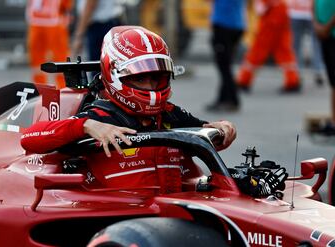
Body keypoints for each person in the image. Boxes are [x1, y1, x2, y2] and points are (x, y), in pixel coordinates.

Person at [21, 26, 286, 197]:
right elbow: (29, 139)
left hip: (173, 213)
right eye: (140, 78)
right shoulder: (99, 116)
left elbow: (204, 133)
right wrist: (86, 127)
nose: (150, 87)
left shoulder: (170, 114)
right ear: (114, 75)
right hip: (116, 219)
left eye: (156, 78)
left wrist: (222, 129)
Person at [236, 0, 301, 93]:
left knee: (258, 50)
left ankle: (244, 80)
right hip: (280, 12)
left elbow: (260, 8)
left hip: (271, 15)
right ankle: (292, 80)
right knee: (283, 50)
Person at [206, 0, 247, 112]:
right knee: (226, 65)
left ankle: (231, 99)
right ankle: (223, 98)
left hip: (224, 24)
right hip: (236, 24)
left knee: (224, 66)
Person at [26, 0, 73, 89]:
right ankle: (40, 91)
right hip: (37, 21)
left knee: (60, 60)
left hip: (55, 22)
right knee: (37, 63)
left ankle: (63, 90)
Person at [287, 0, 325, 86]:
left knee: (295, 45)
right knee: (316, 44)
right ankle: (318, 71)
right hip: (310, 12)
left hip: (296, 11)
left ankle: (297, 72)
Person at [313, 0, 335, 134]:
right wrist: (316, 24)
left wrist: (326, 26)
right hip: (325, 35)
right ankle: (333, 121)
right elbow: (314, 4)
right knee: (333, 81)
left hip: (331, 32)